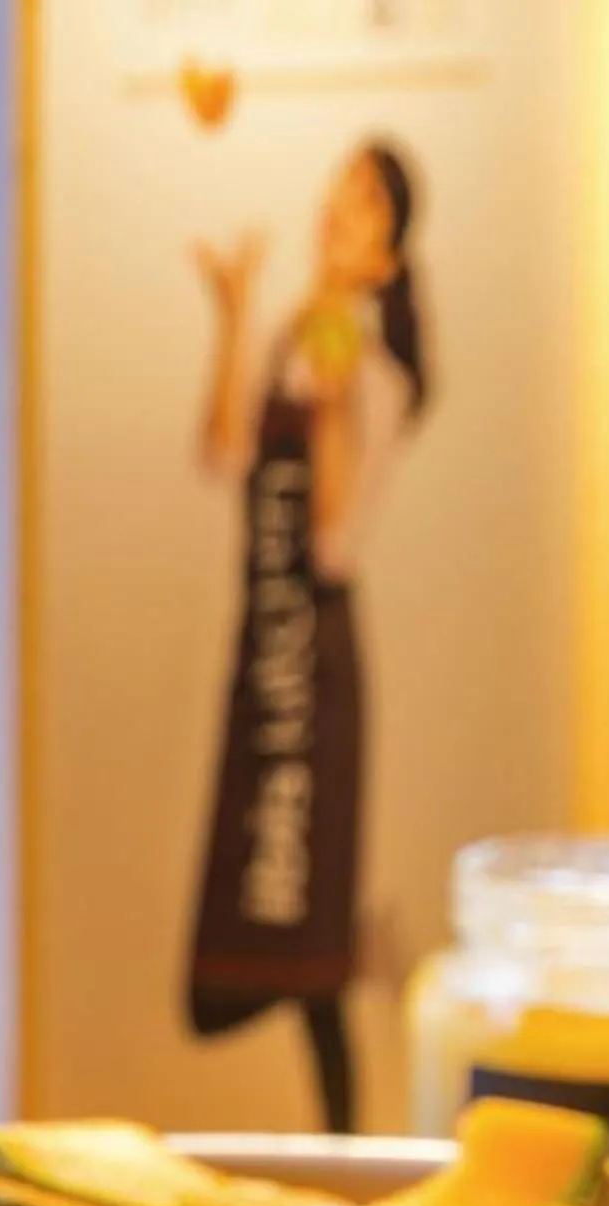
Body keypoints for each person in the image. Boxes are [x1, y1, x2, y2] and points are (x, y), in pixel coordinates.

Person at [183, 139, 430, 1133]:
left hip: (315, 663)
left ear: (391, 251)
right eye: (340, 189)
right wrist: (236, 311)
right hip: (261, 655)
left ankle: (346, 1149)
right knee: (251, 921)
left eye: (366, 201)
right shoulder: (296, 334)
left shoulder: (379, 376)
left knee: (312, 931)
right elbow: (222, 451)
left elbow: (333, 541)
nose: (338, 209)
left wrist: (332, 408)